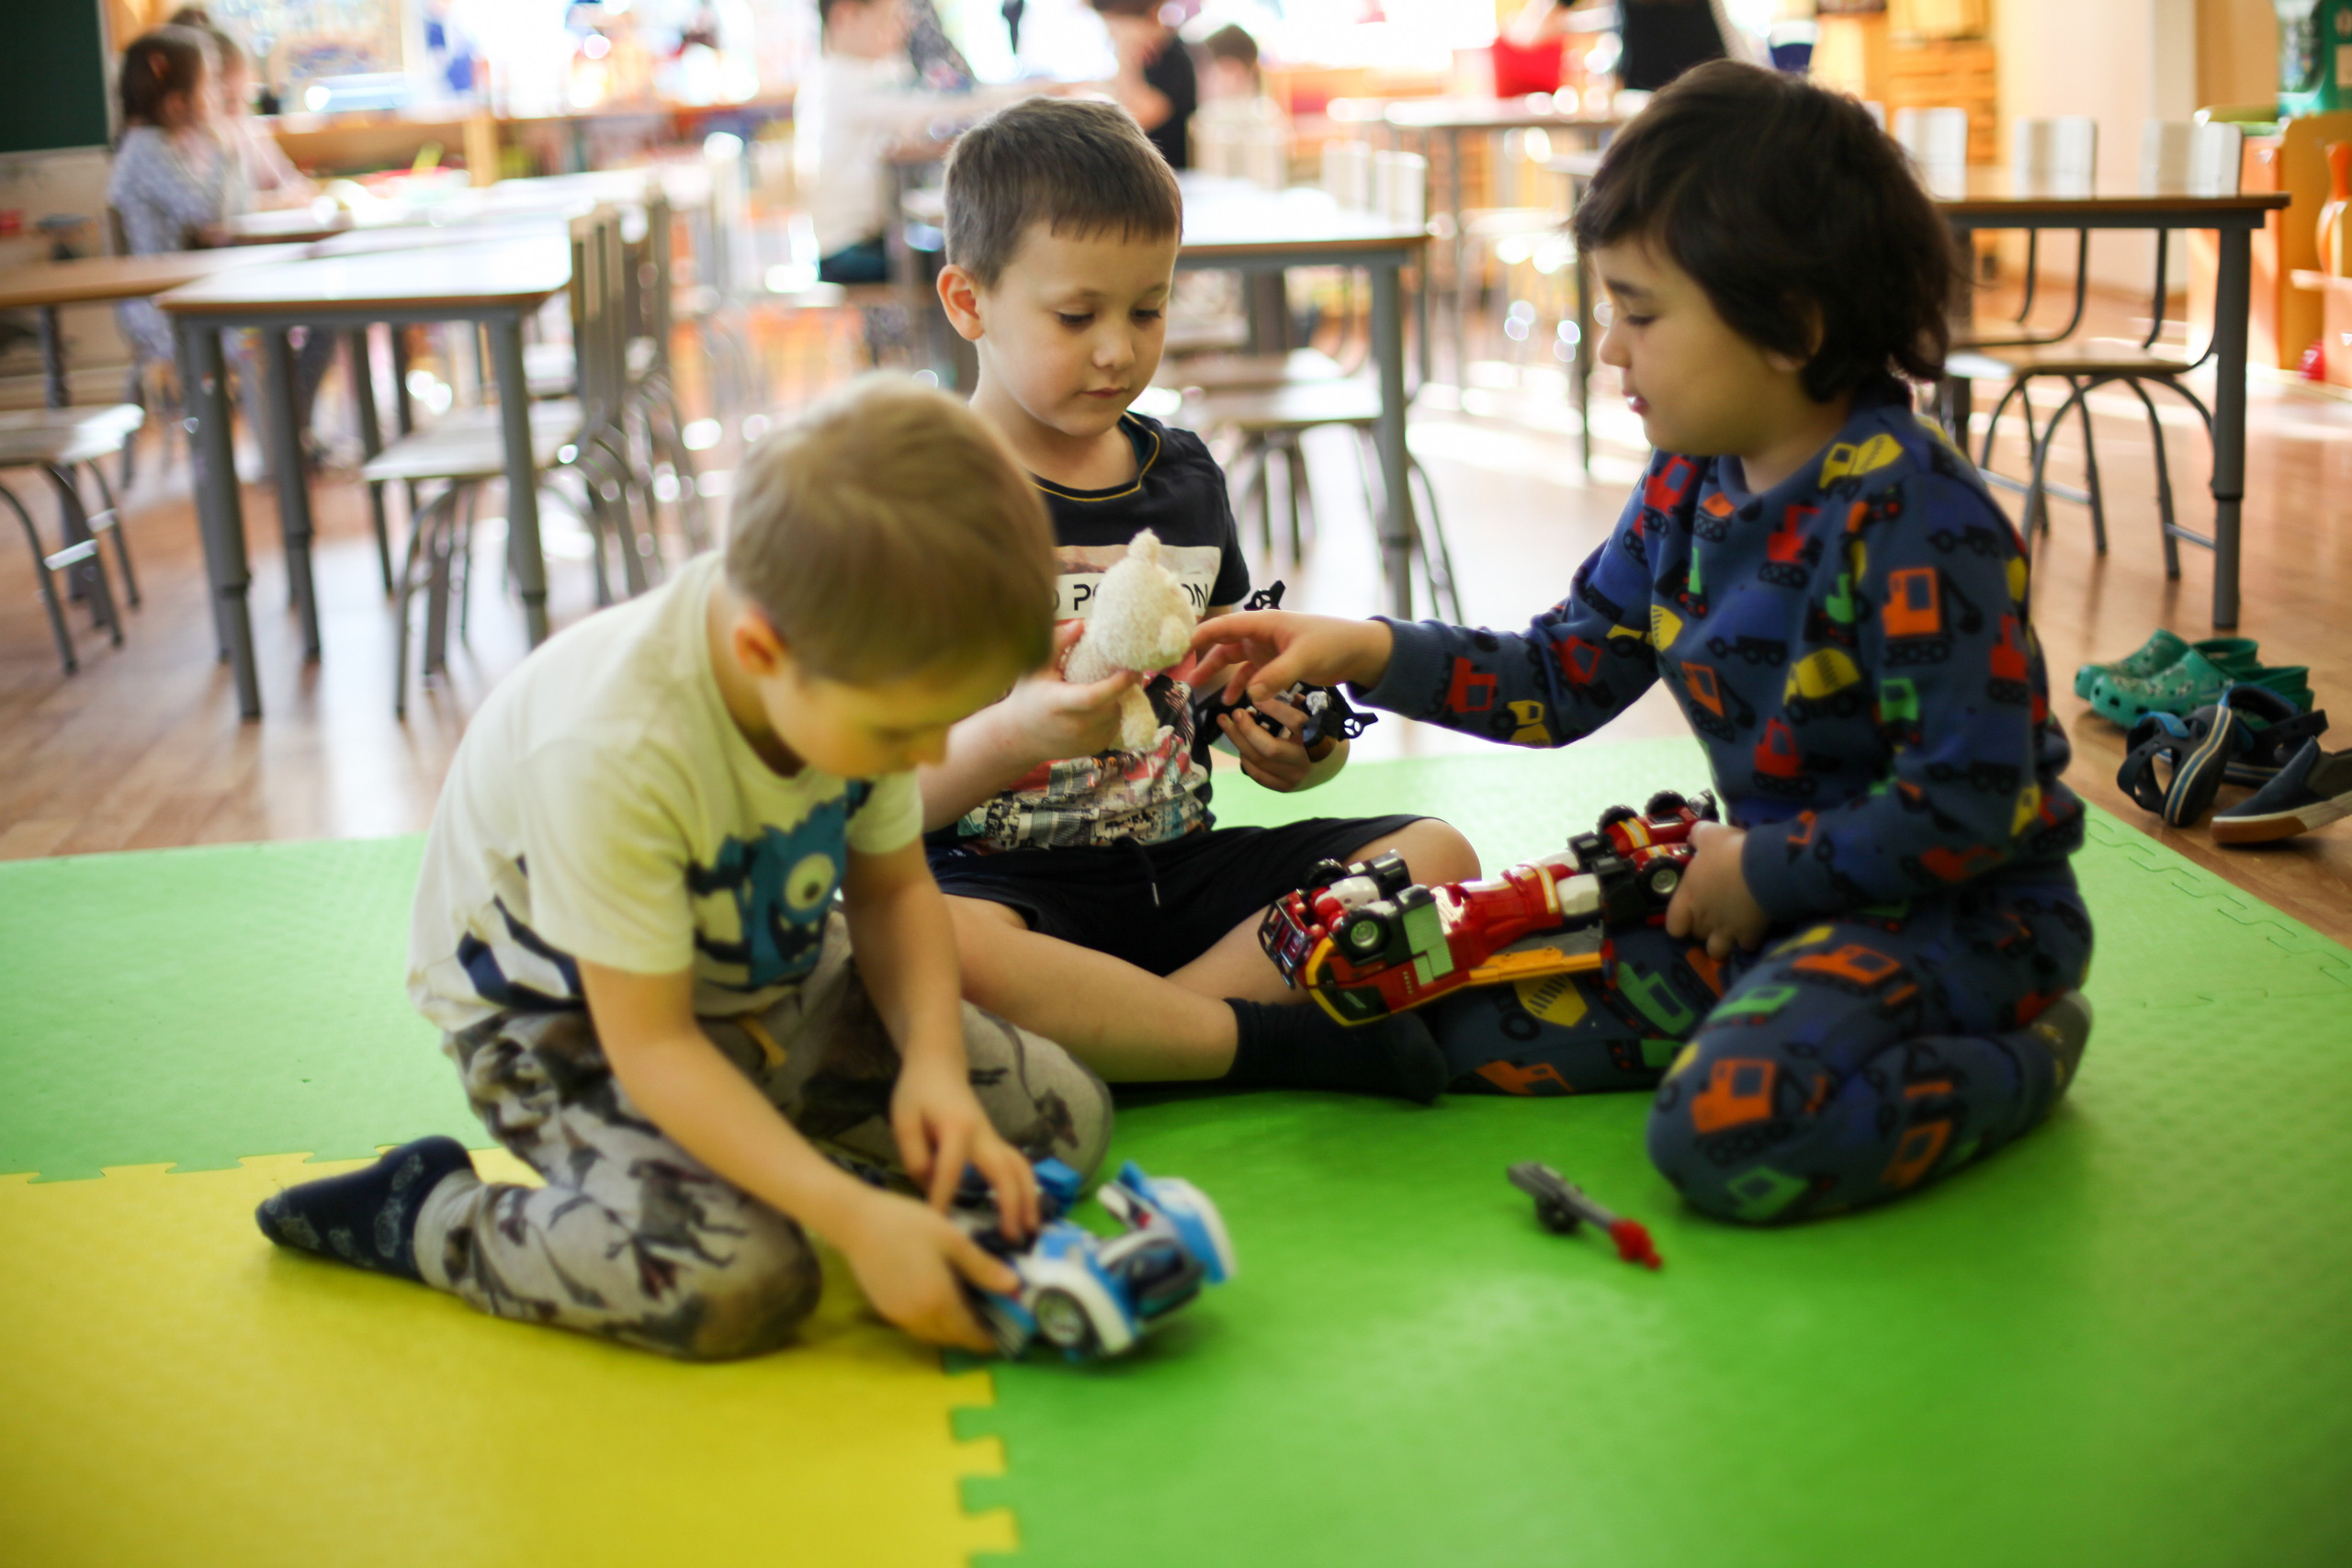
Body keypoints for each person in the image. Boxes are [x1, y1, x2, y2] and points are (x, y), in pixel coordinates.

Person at [1193, 63, 2096, 1225]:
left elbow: (1969, 807)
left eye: (1641, 312)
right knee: (1424, 1025)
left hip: (1961, 920)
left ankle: (2024, 1051)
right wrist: (1364, 646)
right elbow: (1563, 676)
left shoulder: (1917, 520)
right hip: (1769, 903)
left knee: (1724, 1131)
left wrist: (1756, 870)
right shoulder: (1688, 481)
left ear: (1794, 323)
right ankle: (1788, 1009)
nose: (1608, 350)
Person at [253, 378, 1113, 1359]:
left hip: (757, 971)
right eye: (900, 731)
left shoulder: (855, 669)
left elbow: (892, 889)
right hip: (568, 1027)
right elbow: (652, 1047)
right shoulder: (615, 745)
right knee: (742, 1285)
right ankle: (428, 1216)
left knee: (1060, 1126)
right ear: (760, 649)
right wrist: (857, 1222)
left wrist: (933, 1070)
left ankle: (794, 1160)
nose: (922, 758)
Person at [924, 96, 1482, 1104]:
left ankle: (1142, 1034)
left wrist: (1295, 744)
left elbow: (1215, 691)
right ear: (968, 303)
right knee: (928, 945)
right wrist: (1011, 733)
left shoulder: (1180, 475)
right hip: (1005, 889)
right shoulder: (913, 498)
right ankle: (1256, 1044)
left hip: (1179, 870)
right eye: (1075, 316)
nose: (1117, 350)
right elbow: (869, 803)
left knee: (1438, 856)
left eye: (1148, 308)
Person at [797, 0, 1030, 284]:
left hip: (862, 243)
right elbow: (932, 107)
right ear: (846, 15)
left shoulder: (846, 76)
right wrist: (1028, 94)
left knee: (967, 251)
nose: (903, 27)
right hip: (848, 253)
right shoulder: (841, 86)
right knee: (979, 258)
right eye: (891, 18)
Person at [107, 27, 234, 368]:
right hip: (162, 311)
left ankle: (285, 416)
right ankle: (279, 419)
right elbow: (207, 211)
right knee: (268, 329)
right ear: (178, 102)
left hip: (177, 294)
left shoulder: (156, 145)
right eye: (209, 83)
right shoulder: (147, 148)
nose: (218, 93)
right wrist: (221, 148)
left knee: (279, 323)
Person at [1090, 0, 1195, 171]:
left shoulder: (1173, 59)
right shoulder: (1143, 60)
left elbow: (1133, 118)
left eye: (1115, 28)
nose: (1111, 35)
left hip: (1167, 176)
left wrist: (1123, 51)